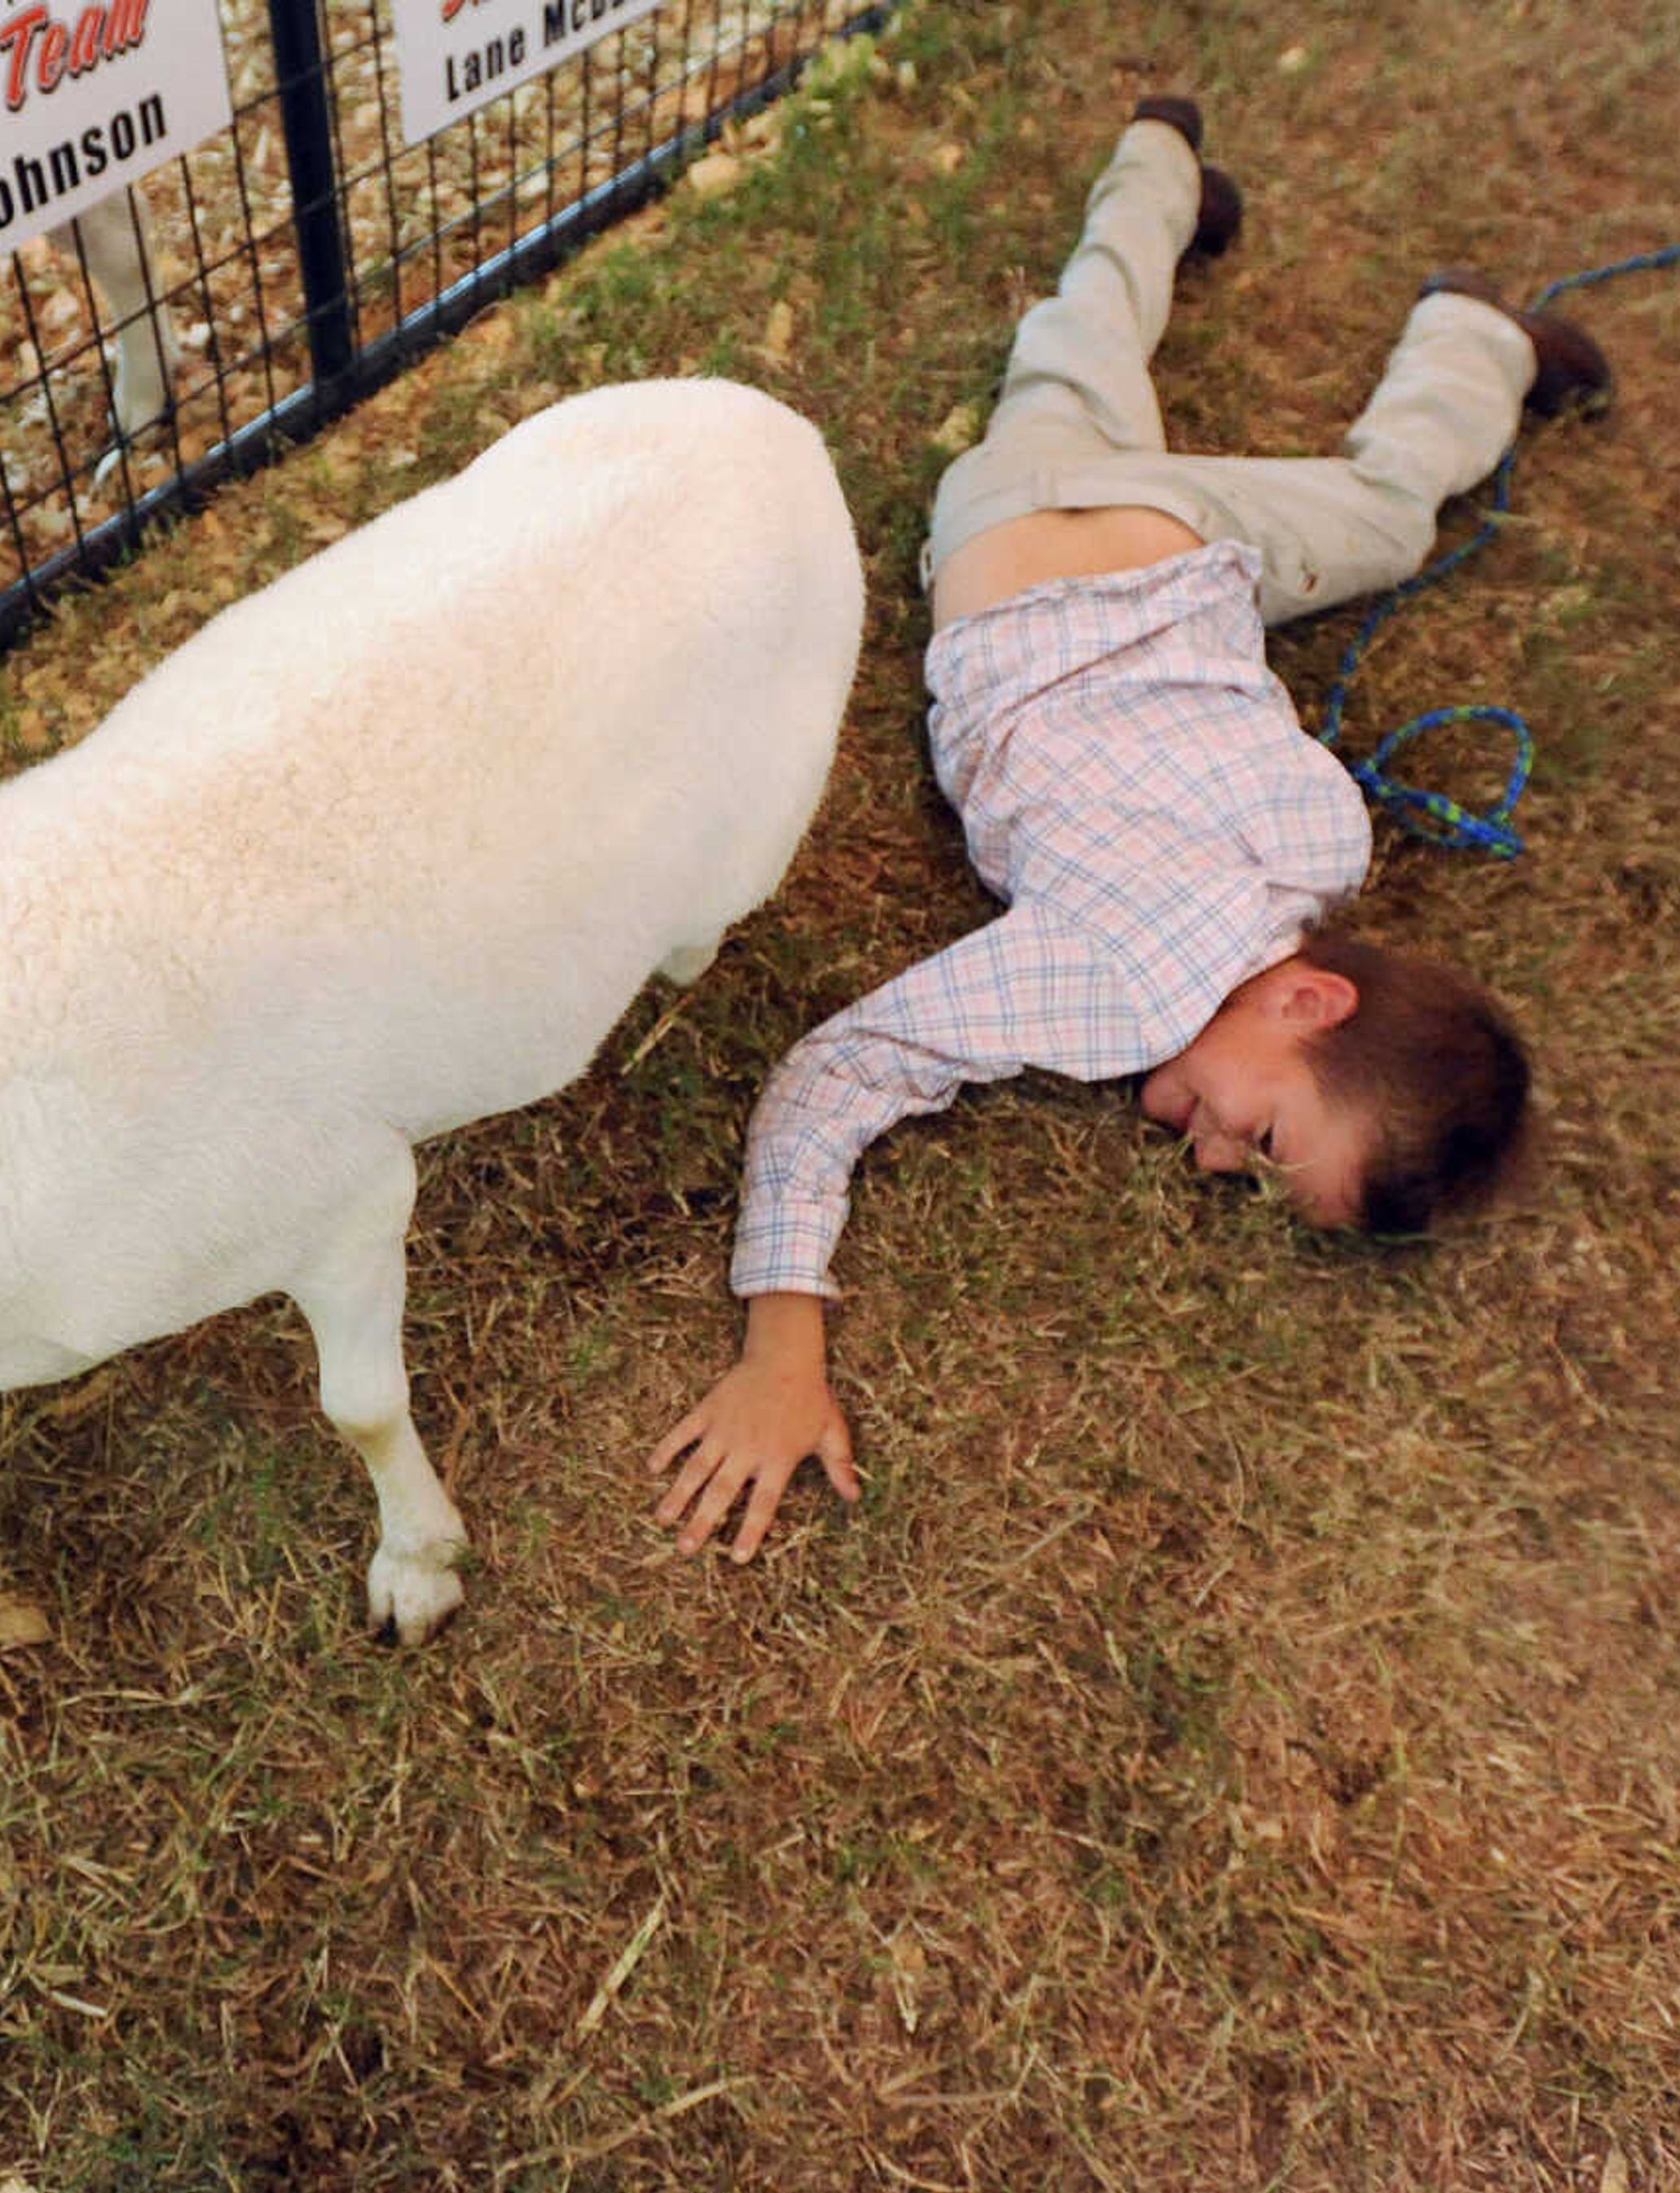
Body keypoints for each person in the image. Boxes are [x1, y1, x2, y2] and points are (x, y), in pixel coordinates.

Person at [647, 97, 1591, 1562]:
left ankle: (1183, 166)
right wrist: (786, 1347)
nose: (1216, 1161)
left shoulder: (1326, 846)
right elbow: (835, 1074)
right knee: (1102, 364)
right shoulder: (1109, 985)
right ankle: (1458, 322)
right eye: (1266, 1136)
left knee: (1132, 353)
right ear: (1308, 996)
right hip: (1012, 536)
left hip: (1174, 544)